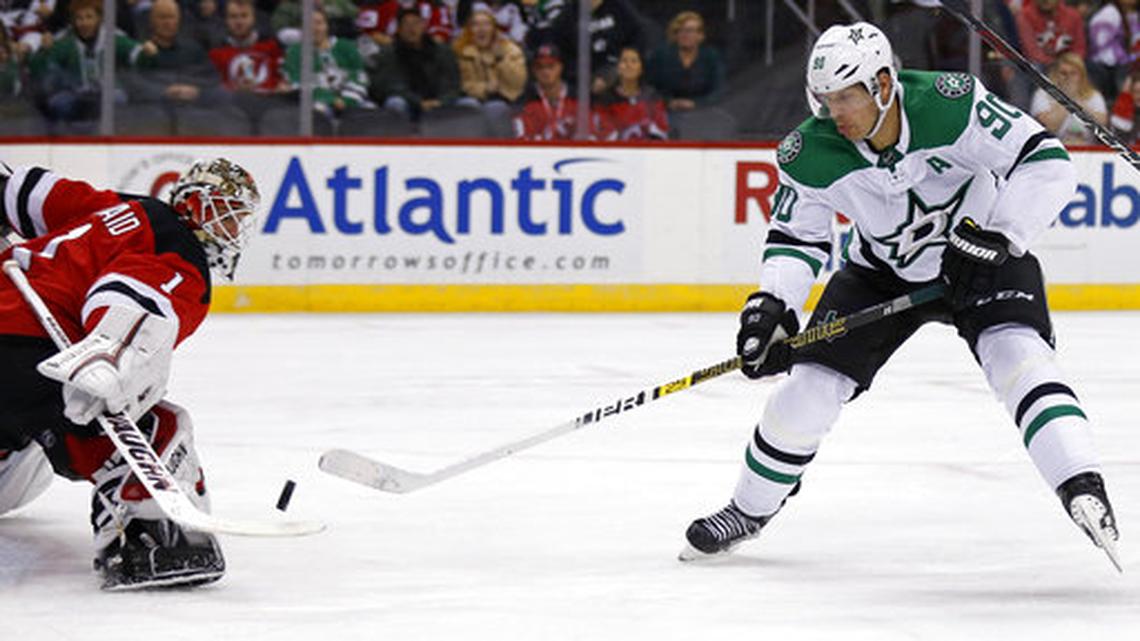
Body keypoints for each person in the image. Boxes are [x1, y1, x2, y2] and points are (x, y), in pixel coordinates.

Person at [683, 23, 1119, 570]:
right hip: (879, 274)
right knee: (809, 389)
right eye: (824, 99)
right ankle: (747, 509)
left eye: (846, 98)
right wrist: (773, 308)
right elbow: (798, 237)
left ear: (885, 84)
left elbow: (1045, 161)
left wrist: (1000, 235)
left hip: (979, 256)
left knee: (1019, 358)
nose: (834, 113)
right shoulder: (809, 151)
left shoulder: (950, 105)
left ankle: (1081, 485)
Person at [0, 157, 261, 590]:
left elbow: (23, 193)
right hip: (25, 347)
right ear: (196, 205)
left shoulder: (113, 208)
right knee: (160, 427)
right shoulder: (179, 245)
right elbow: (131, 291)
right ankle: (153, 544)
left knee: (26, 463)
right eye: (230, 216)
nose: (234, 232)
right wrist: (110, 357)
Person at [282, 7, 373, 121]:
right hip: (317, 104)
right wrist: (331, 100)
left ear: (327, 26)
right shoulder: (294, 53)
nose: (314, 28)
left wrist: (346, 101)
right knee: (318, 111)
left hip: (351, 101)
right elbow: (296, 84)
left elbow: (360, 78)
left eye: (319, 23)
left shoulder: (347, 47)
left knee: (371, 111)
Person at [512, 42, 611, 139]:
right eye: (540, 67)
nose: (545, 71)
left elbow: (591, 135)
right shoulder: (525, 100)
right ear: (533, 70)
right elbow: (523, 139)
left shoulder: (578, 97)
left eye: (551, 66)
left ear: (560, 67)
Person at [453, 8, 526, 127]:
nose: (481, 29)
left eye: (486, 24)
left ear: (494, 29)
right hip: (471, 98)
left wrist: (500, 60)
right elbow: (458, 84)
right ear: (469, 30)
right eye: (475, 25)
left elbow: (517, 84)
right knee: (468, 105)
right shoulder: (459, 51)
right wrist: (485, 88)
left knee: (496, 108)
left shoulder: (510, 50)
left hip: (506, 99)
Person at [645, 10, 725, 112]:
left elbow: (719, 90)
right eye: (680, 30)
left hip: (703, 114)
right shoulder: (661, 55)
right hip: (665, 112)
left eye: (690, 30)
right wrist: (668, 102)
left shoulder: (711, 57)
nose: (685, 34)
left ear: (700, 36)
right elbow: (648, 87)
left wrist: (696, 103)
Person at [1030, 52, 1107, 146]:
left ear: (1081, 76)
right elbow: (1050, 127)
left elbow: (1102, 126)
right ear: (1056, 74)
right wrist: (1066, 99)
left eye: (1073, 73)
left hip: (1087, 149)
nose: (1068, 78)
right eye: (1063, 73)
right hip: (1054, 148)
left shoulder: (1094, 95)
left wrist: (1079, 103)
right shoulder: (1042, 94)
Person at [600, 46, 666, 140]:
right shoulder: (606, 98)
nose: (628, 65)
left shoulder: (652, 96)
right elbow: (605, 134)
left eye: (634, 61)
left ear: (641, 69)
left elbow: (660, 131)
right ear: (618, 67)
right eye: (624, 61)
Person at [1086, 0, 1140, 104]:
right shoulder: (1108, 13)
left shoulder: (1135, 14)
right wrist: (1128, 59)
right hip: (1110, 65)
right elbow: (1101, 48)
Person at [1015, 0, 1086, 67]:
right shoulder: (1024, 16)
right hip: (1041, 66)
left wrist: (1071, 63)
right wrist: (1056, 65)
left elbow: (1079, 48)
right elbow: (1032, 52)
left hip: (1070, 64)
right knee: (1036, 66)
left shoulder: (1073, 16)